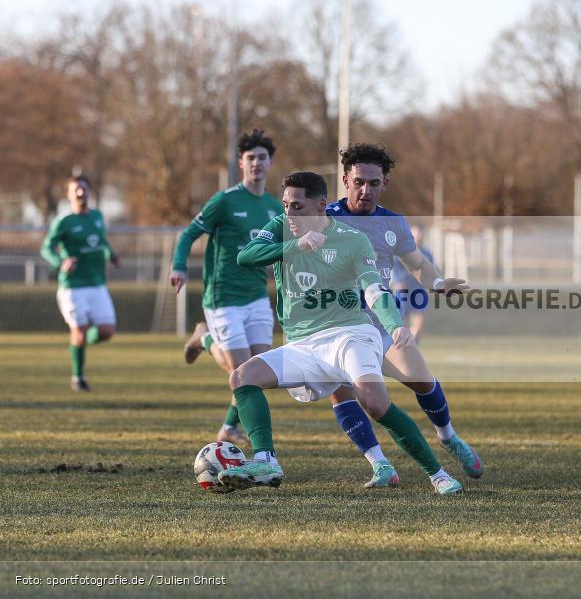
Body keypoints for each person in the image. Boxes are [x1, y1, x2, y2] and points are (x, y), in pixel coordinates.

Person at [218, 171, 464, 495]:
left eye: (298, 207)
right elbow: (245, 256)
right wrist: (294, 246)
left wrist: (394, 325)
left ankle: (439, 475)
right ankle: (266, 461)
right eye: (286, 205)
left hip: (350, 334)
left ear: (321, 205)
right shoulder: (281, 227)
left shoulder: (351, 239)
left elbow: (374, 289)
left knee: (374, 402)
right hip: (303, 343)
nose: (289, 214)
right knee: (242, 378)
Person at [325, 143, 483, 480]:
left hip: (382, 326)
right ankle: (380, 464)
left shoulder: (393, 224)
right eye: (358, 182)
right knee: (349, 395)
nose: (365, 189)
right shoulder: (325, 219)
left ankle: (449, 437)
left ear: (385, 184)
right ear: (345, 180)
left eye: (374, 183)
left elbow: (418, 266)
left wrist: (438, 282)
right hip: (337, 330)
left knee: (422, 380)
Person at [170, 129, 283, 445]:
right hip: (223, 296)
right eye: (250, 158)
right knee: (242, 369)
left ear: (270, 162)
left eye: (262, 157)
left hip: (257, 295)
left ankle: (229, 428)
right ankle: (205, 338)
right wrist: (179, 265)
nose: (256, 163)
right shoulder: (225, 200)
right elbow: (188, 234)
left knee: (258, 373)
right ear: (241, 163)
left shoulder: (276, 208)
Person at [40, 175, 119, 391]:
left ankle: (80, 341)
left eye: (83, 189)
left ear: (89, 192)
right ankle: (78, 377)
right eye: (75, 190)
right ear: (68, 195)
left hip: (97, 283)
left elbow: (102, 240)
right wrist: (60, 262)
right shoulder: (63, 222)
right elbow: (46, 248)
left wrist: (111, 254)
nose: (80, 193)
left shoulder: (98, 216)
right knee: (80, 330)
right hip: (73, 286)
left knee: (107, 331)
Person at [391, 225, 432, 342]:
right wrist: (399, 282)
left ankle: (413, 344)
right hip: (403, 290)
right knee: (401, 322)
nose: (418, 237)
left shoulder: (427, 253)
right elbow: (395, 268)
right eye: (415, 234)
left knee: (419, 321)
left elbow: (432, 270)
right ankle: (402, 346)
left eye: (420, 234)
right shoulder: (402, 251)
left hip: (419, 289)